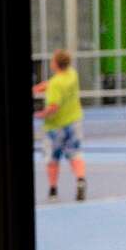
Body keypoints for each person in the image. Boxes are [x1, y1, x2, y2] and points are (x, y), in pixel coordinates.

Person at [34, 48, 87, 201]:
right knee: (75, 154)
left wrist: (40, 114)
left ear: (56, 64)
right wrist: (40, 87)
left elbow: (53, 107)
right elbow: (53, 83)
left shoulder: (56, 84)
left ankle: (53, 190)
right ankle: (80, 180)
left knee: (52, 158)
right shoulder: (72, 74)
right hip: (74, 122)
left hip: (55, 127)